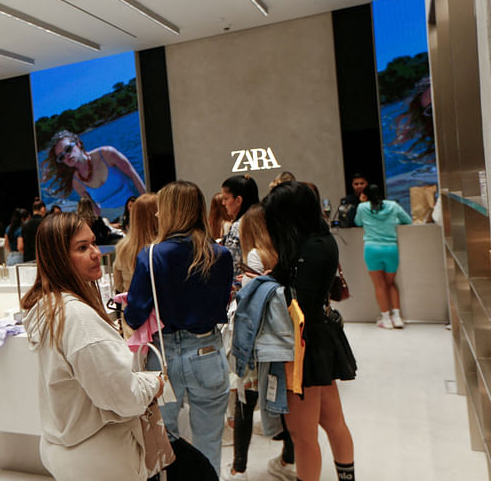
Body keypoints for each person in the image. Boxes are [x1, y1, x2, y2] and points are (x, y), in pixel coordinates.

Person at [21, 212, 163, 480]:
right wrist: (153, 384)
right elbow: (121, 397)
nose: (95, 253)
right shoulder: (78, 318)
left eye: (94, 243)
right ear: (59, 259)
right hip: (99, 455)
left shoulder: (50, 307)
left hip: (68, 447)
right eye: (82, 248)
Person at [125, 181, 234, 476]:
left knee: (165, 440)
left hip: (164, 357)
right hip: (208, 350)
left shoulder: (152, 255)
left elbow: (134, 316)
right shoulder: (220, 255)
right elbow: (221, 305)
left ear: (170, 211)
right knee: (210, 440)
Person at [262, 181, 356, 481]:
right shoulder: (320, 240)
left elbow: (296, 302)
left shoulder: (310, 249)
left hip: (302, 346)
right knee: (332, 422)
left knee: (303, 435)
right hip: (316, 339)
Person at [223, 204, 296, 481]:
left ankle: (238, 468)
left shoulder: (253, 255)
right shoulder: (282, 252)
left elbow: (253, 303)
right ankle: (288, 459)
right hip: (281, 340)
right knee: (282, 401)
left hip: (256, 341)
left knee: (244, 402)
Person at [41, 130, 146, 216]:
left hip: (136, 211)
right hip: (113, 223)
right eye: (61, 156)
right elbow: (95, 210)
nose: (67, 156)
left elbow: (133, 175)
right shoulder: (77, 183)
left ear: (78, 144)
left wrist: (148, 204)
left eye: (68, 149)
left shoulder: (107, 154)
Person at [354, 184, 413, 329]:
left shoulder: (362, 207)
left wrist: (362, 203)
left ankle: (386, 319)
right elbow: (407, 220)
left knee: (379, 285)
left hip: (371, 249)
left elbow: (357, 222)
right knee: (390, 283)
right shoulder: (392, 205)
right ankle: (397, 317)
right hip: (391, 248)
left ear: (365, 196)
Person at [113, 193, 158, 294]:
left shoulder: (122, 247)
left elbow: (118, 284)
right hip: (160, 307)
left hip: (130, 304)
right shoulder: (163, 247)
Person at [221, 174, 261, 278]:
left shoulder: (238, 226)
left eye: (226, 198)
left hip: (242, 285)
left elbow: (232, 263)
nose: (223, 203)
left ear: (238, 200)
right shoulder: (263, 220)